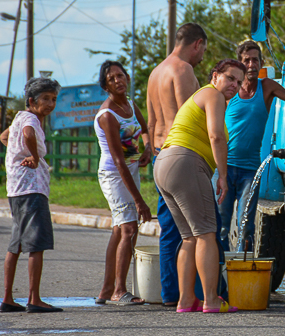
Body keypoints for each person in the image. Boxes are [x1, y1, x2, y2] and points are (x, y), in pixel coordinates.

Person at [153, 59, 245, 313]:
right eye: (230, 78)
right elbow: (216, 136)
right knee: (206, 234)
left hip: (164, 164)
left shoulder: (200, 96)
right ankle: (212, 300)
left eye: (239, 82)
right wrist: (223, 176)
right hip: (185, 163)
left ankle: (185, 300)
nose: (234, 86)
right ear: (215, 76)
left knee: (189, 237)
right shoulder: (213, 96)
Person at [218, 40, 285, 251]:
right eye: (246, 60)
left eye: (255, 59)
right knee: (220, 227)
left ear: (261, 62)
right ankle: (220, 279)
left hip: (250, 171)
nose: (251, 64)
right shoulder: (229, 91)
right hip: (225, 168)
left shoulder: (267, 87)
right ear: (239, 64)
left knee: (246, 227)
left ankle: (241, 277)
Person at [146, 22, 207, 306]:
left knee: (170, 227)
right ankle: (192, 293)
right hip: (182, 154)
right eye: (203, 50)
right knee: (195, 229)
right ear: (197, 43)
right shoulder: (183, 70)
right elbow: (190, 116)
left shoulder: (155, 72)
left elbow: (150, 122)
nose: (202, 56)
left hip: (160, 154)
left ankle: (171, 292)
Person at [0, 77, 63, 314]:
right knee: (36, 245)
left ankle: (7, 298)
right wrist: (34, 157)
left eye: (53, 99)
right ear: (31, 101)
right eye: (45, 98)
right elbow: (27, 135)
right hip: (31, 190)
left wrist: (16, 156)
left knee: (15, 244)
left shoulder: (19, 117)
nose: (50, 103)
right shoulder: (30, 120)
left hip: (16, 190)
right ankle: (34, 299)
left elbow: (4, 137)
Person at [93, 60, 152, 305]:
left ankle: (106, 291)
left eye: (121, 75)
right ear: (105, 86)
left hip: (131, 170)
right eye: (112, 78)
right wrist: (140, 202)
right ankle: (119, 290)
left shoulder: (129, 105)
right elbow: (118, 160)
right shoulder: (108, 115)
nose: (118, 80)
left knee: (119, 230)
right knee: (129, 229)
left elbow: (145, 128)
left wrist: (147, 148)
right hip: (115, 175)